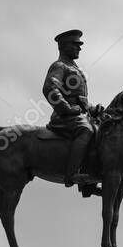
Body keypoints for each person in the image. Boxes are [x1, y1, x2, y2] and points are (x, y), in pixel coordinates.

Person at [43, 29, 101, 197]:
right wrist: (66, 108)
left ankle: (89, 184)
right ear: (65, 46)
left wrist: (93, 109)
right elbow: (49, 88)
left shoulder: (75, 68)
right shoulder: (59, 66)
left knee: (102, 132)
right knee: (86, 130)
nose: (79, 48)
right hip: (65, 117)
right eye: (76, 45)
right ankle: (72, 174)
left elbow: (79, 98)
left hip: (80, 115)